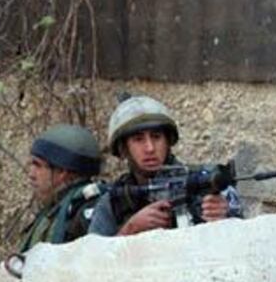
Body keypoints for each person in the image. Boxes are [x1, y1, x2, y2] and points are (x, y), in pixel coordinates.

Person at [88, 95, 241, 236]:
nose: (150, 148)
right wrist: (130, 229)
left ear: (168, 141)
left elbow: (242, 247)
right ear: (123, 149)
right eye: (138, 139)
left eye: (156, 137)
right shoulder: (113, 201)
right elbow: (90, 260)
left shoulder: (206, 184)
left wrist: (225, 220)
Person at [18, 124, 104, 252]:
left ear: (62, 172)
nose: (31, 174)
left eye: (38, 165)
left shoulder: (85, 212)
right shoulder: (55, 209)